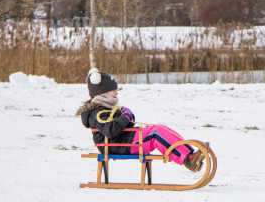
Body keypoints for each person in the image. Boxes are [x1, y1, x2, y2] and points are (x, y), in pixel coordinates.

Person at [76, 68, 207, 172]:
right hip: (117, 145)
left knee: (161, 128)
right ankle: (188, 160)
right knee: (156, 133)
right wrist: (126, 116)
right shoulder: (97, 112)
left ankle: (189, 155)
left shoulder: (107, 107)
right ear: (103, 93)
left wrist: (127, 115)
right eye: (113, 90)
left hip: (125, 140)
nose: (116, 93)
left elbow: (123, 123)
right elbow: (110, 131)